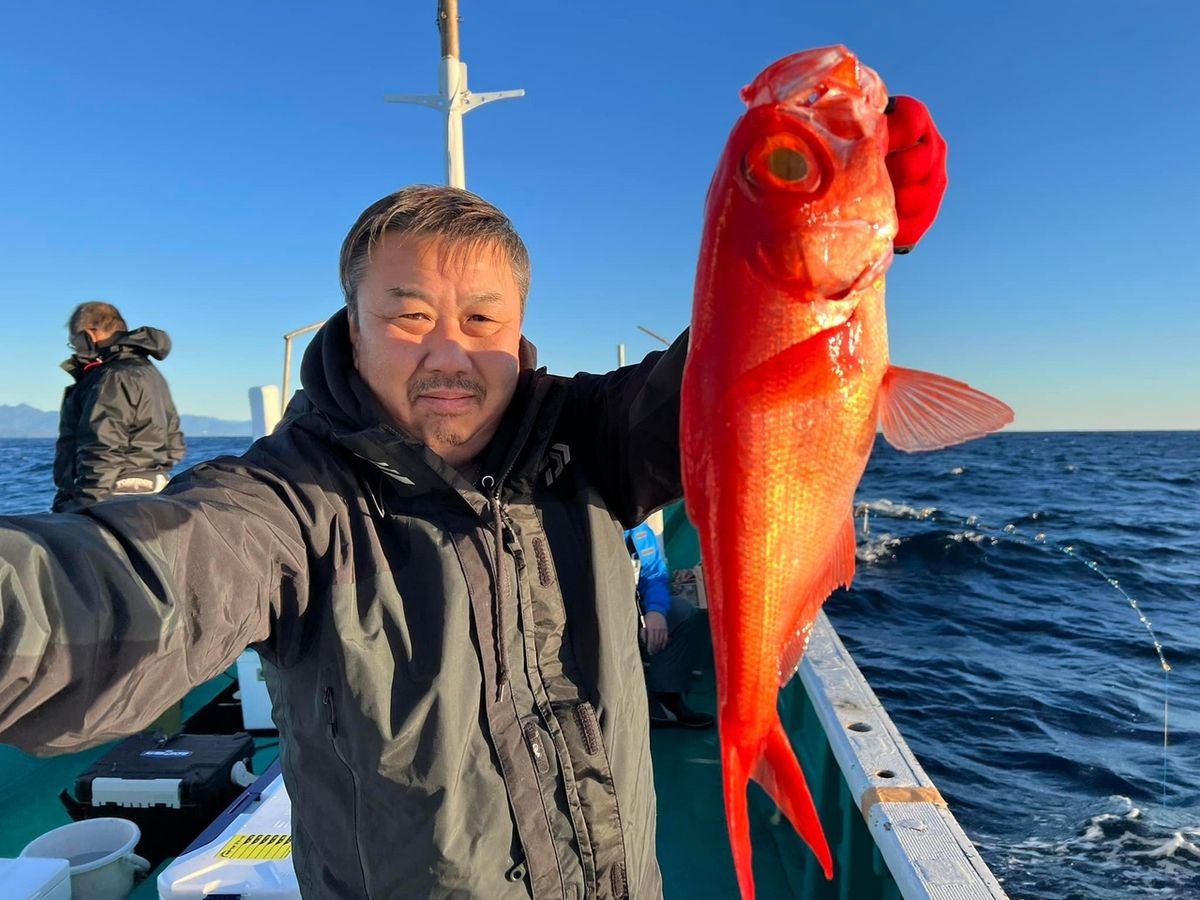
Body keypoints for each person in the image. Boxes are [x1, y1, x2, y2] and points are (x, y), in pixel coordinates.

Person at [0, 95, 947, 899]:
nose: (449, 353)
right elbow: (136, 580)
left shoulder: (588, 441)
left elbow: (744, 386)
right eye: (408, 316)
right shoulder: (289, 502)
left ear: (522, 329)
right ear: (355, 327)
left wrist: (834, 233)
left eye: (482, 319)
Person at [52, 301, 186, 512]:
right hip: (152, 489)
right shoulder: (149, 373)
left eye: (73, 343)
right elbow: (175, 442)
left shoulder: (111, 378)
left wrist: (84, 510)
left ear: (89, 335)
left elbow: (102, 447)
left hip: (115, 494)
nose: (75, 351)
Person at [625, 523, 713, 729]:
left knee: (680, 611)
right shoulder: (587, 525)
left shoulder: (640, 531)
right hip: (599, 617)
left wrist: (655, 611)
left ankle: (666, 704)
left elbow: (654, 575)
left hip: (636, 610)